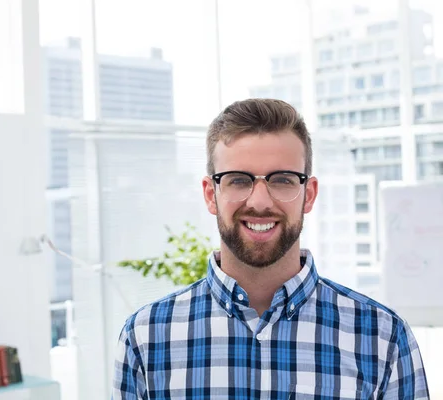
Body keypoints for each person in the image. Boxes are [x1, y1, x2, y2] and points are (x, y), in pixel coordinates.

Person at [112, 99, 430, 399]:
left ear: (309, 194)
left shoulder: (383, 338)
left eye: (282, 179)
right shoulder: (146, 338)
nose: (260, 202)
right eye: (238, 180)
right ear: (211, 195)